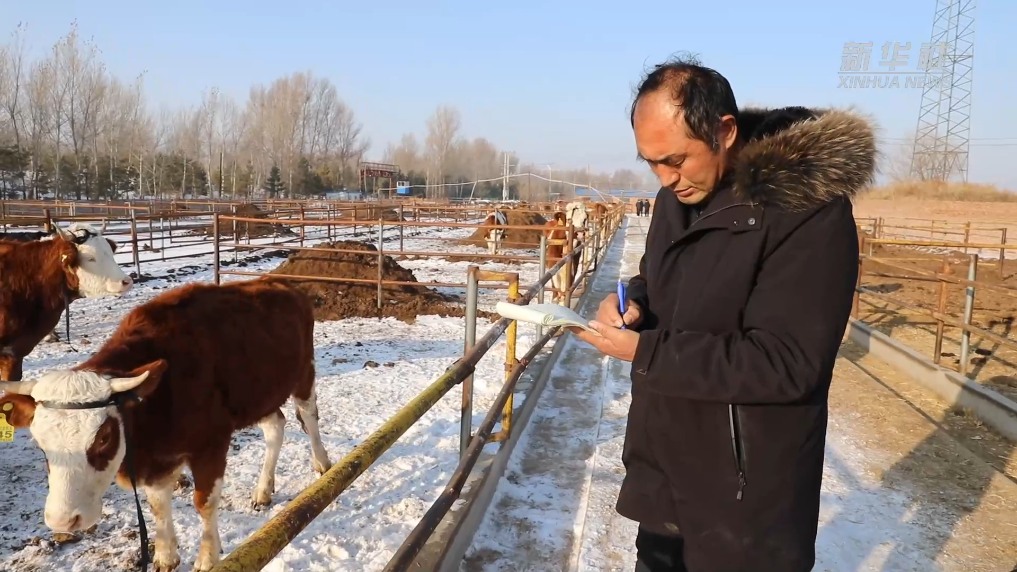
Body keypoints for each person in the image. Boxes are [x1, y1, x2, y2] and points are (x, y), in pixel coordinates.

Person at [571, 54, 875, 572]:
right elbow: (659, 279)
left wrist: (648, 352)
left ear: (725, 131)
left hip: (744, 503)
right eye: (651, 161)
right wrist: (634, 301)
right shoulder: (677, 200)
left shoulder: (806, 212)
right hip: (666, 481)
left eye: (676, 159)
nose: (665, 177)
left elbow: (787, 362)